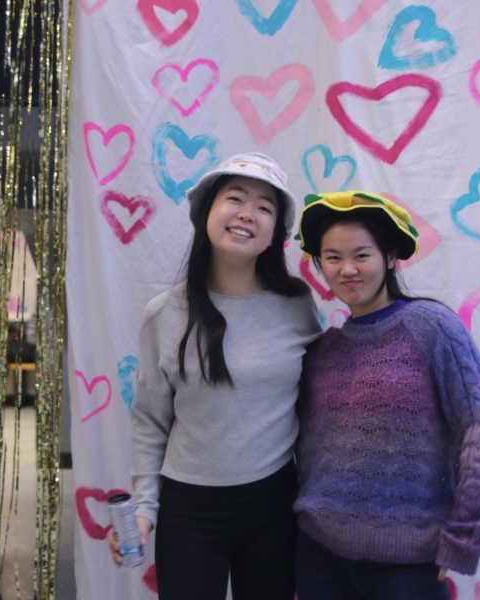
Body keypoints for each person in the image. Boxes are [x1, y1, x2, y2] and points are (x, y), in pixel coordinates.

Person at [107, 152, 322, 599]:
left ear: (274, 235)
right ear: (207, 211)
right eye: (235, 198)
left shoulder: (296, 305)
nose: (247, 213)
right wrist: (144, 507)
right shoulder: (165, 313)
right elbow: (149, 420)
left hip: (274, 506)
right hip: (190, 511)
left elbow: (319, 403)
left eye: (265, 207)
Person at [292, 191, 480, 600]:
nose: (347, 269)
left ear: (390, 257)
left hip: (408, 567)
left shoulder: (432, 327)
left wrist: (465, 534)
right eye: (332, 257)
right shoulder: (323, 349)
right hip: (318, 559)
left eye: (361, 255)